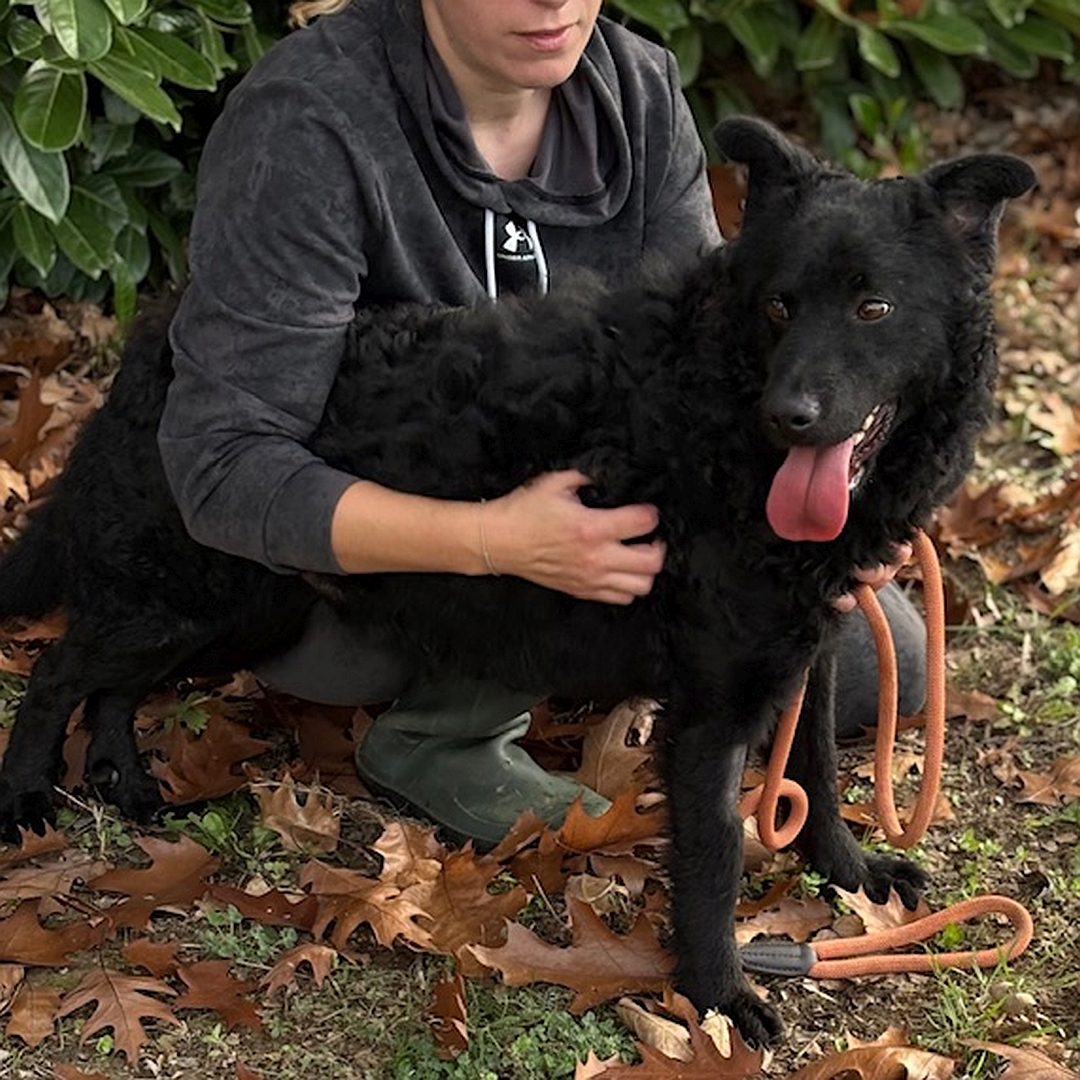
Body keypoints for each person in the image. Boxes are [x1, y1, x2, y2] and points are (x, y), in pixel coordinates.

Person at [158, 0, 925, 848]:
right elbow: (222, 465)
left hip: (590, 514)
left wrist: (844, 505)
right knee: (369, 656)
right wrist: (493, 541)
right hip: (371, 573)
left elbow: (712, 364)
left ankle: (575, 655)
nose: (556, 1)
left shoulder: (635, 87)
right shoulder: (306, 120)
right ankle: (441, 733)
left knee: (874, 658)